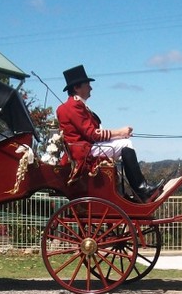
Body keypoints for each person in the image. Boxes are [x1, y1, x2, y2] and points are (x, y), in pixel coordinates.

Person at [56, 64, 161, 201]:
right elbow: (93, 134)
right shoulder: (72, 106)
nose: (91, 88)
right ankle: (141, 189)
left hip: (85, 149)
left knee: (124, 142)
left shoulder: (76, 106)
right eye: (87, 84)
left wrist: (119, 134)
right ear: (77, 88)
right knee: (126, 144)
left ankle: (132, 192)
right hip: (83, 152)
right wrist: (120, 132)